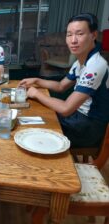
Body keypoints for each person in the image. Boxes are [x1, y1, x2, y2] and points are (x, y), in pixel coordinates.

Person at [19, 13, 109, 149]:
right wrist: (37, 80)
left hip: (87, 128)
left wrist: (36, 94)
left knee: (33, 126)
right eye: (69, 34)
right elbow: (61, 86)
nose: (73, 40)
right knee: (31, 118)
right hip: (77, 118)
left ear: (93, 35)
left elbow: (66, 109)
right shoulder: (81, 61)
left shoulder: (95, 66)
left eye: (79, 34)